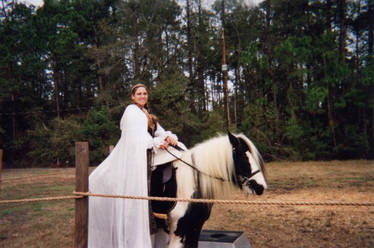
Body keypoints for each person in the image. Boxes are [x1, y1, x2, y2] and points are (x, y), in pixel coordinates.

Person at [88, 83, 178, 248]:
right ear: (132, 96)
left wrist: (168, 137)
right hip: (137, 157)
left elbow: (159, 131)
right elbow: (138, 139)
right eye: (139, 94)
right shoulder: (131, 112)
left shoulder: (146, 113)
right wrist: (158, 142)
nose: (142, 96)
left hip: (149, 151)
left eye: (144, 93)